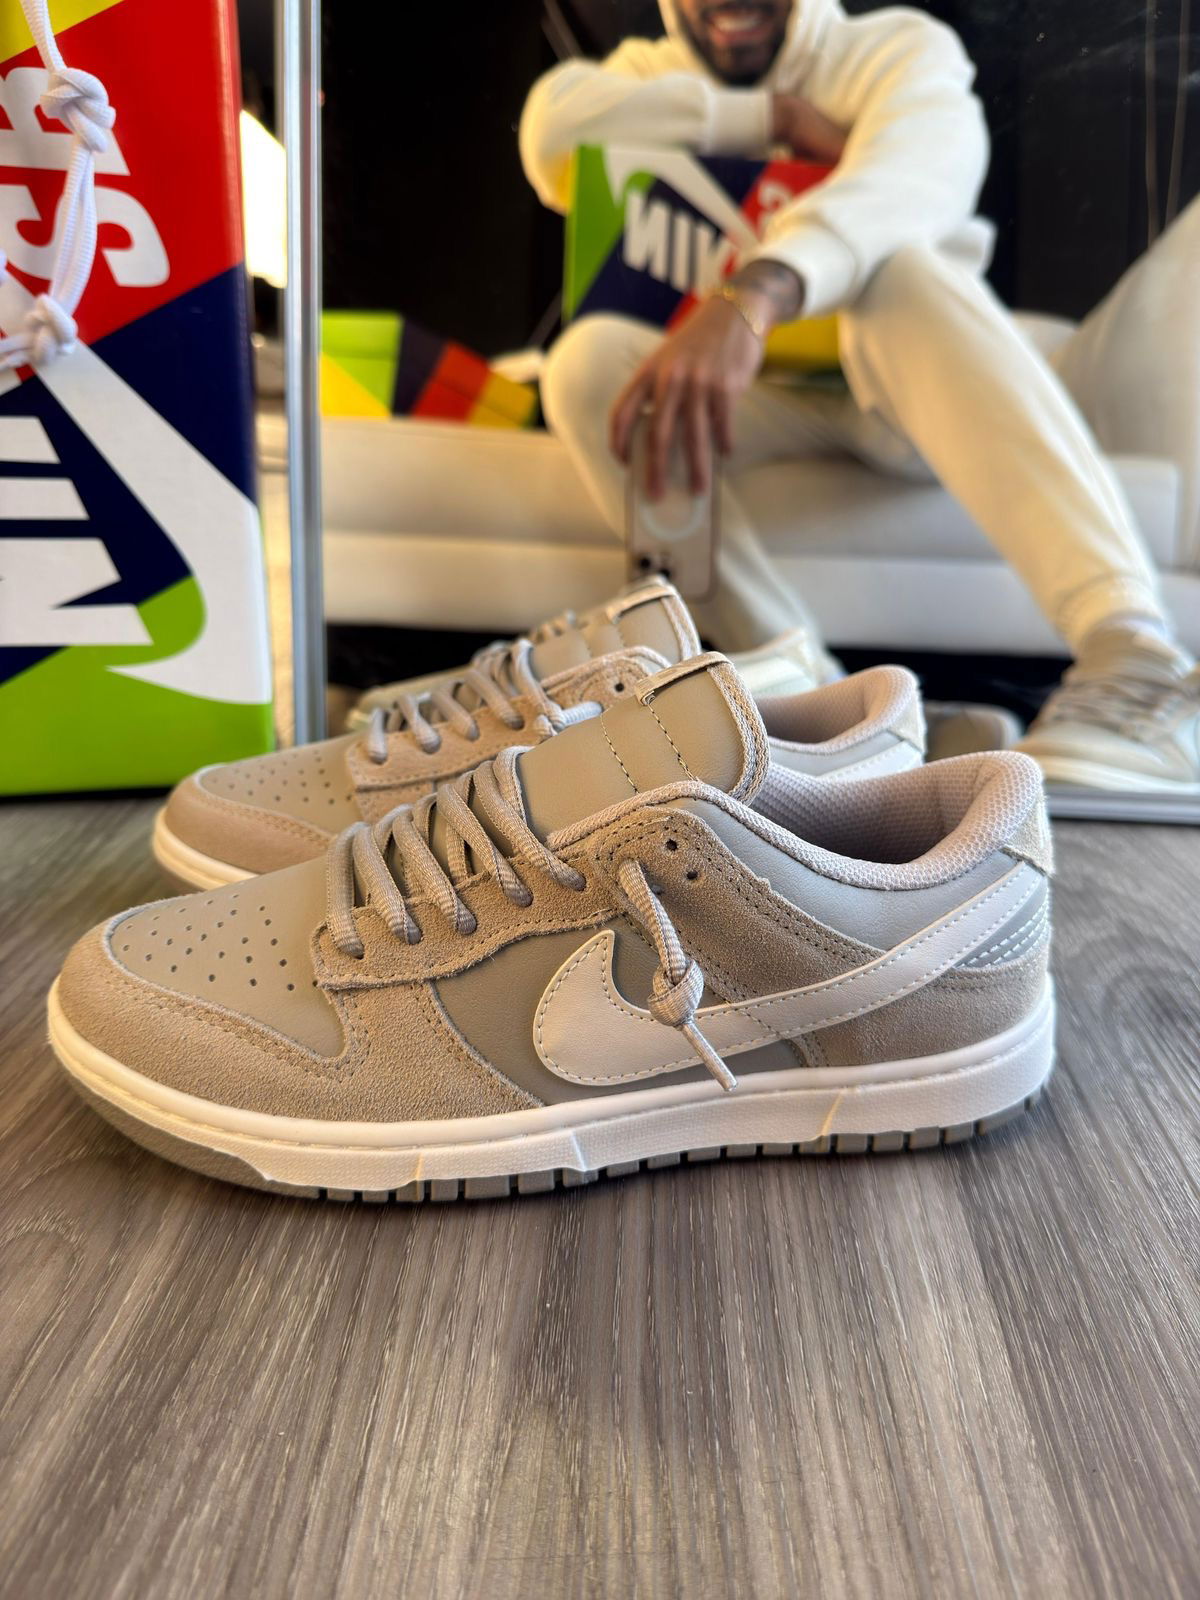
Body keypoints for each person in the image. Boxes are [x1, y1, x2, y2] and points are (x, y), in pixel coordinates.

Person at [521, 0, 1200, 795]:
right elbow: (552, 131)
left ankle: (1140, 661)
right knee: (588, 359)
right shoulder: (651, 73)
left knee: (898, 271)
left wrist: (757, 292)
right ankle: (825, 706)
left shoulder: (893, 48)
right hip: (761, 404)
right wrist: (769, 118)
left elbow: (920, 174)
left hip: (903, 394)